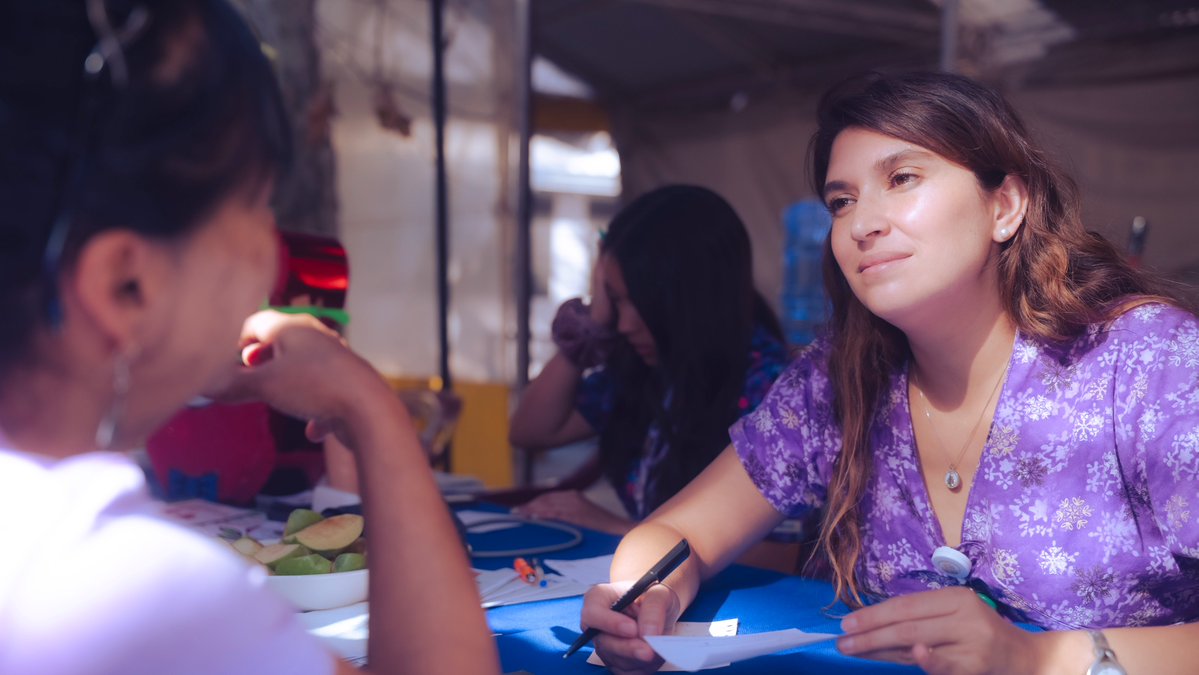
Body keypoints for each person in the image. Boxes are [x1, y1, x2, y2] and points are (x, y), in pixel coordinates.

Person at [578, 70, 1199, 675]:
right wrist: (640, 596)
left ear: (1005, 205)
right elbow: (679, 529)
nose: (860, 225)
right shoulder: (839, 380)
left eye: (902, 178)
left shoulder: (1151, 362)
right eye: (841, 202)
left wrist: (1038, 660)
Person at [0, 2, 498, 674]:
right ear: (125, 286)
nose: (272, 258)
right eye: (257, 208)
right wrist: (369, 407)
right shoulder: (134, 594)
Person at [508, 185, 789, 539]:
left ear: (690, 296)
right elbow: (529, 431)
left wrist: (624, 530)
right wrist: (593, 322)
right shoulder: (644, 369)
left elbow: (783, 555)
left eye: (635, 302)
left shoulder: (771, 386)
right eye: (615, 301)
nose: (623, 325)